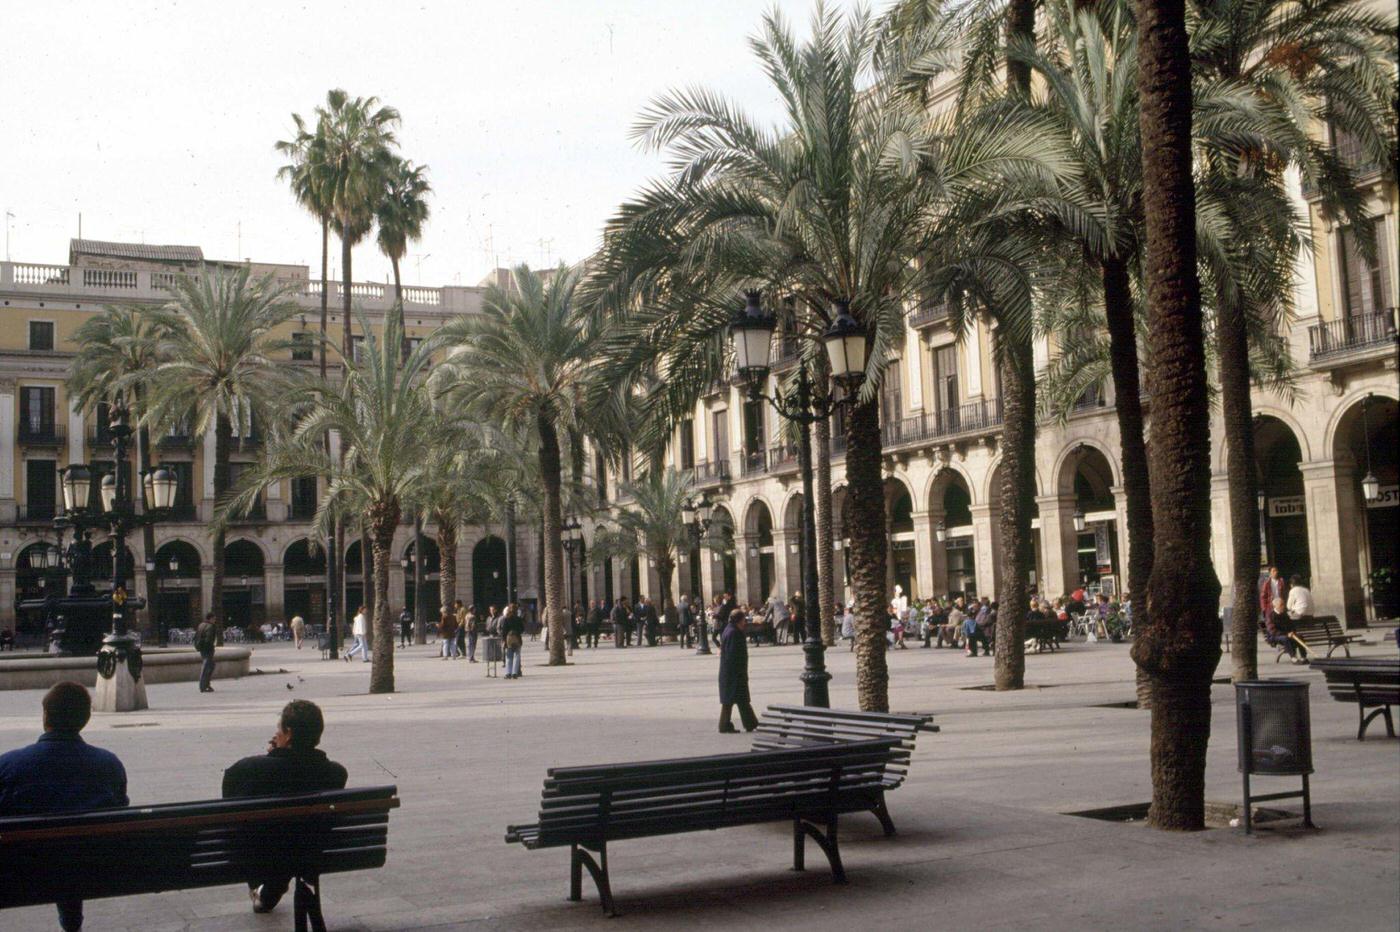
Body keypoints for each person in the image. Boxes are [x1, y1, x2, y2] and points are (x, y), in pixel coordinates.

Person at [0, 682, 128, 931]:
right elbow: (120, 810)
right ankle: (72, 925)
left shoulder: (8, 765)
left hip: (18, 873)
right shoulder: (109, 765)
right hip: (93, 869)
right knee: (69, 856)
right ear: (86, 719)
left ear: (45, 716)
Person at [222, 700, 348, 915]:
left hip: (264, 851)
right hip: (310, 849)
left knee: (266, 835)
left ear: (288, 733)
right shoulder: (336, 772)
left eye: (279, 728)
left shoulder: (246, 769)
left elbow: (230, 810)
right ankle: (272, 887)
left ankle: (267, 888)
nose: (276, 732)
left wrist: (271, 758)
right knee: (294, 837)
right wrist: (276, 757)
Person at [718, 608, 758, 733]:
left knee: (736, 700)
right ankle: (729, 725)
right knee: (736, 700)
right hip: (734, 673)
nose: (745, 622)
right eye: (743, 620)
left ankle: (748, 723)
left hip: (730, 673)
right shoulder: (734, 633)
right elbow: (732, 655)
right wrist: (739, 672)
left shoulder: (729, 630)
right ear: (739, 620)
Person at [195, 611, 220, 693]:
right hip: (207, 649)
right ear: (211, 618)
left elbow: (196, 637)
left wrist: (198, 647)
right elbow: (209, 639)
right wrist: (210, 648)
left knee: (210, 665)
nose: (215, 620)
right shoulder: (211, 627)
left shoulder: (201, 625)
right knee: (207, 667)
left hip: (201, 648)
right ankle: (203, 686)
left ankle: (206, 685)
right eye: (214, 619)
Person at [500, 603, 525, 679]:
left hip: (509, 639)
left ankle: (508, 673)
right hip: (517, 638)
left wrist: (503, 640)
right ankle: (515, 673)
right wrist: (517, 632)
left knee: (509, 656)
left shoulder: (506, 619)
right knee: (517, 655)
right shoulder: (518, 619)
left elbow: (504, 631)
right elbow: (522, 629)